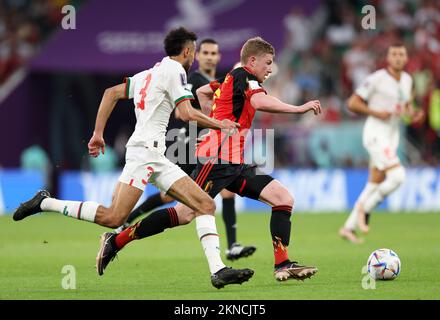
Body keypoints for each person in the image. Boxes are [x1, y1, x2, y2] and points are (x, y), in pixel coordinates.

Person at [12, 27, 254, 289]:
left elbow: (111, 93)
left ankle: (218, 271)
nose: (194, 57)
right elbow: (185, 113)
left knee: (205, 204)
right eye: (194, 51)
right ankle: (45, 203)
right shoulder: (175, 70)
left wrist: (97, 134)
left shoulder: (147, 74)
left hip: (154, 154)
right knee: (113, 217)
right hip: (144, 155)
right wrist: (221, 124)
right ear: (186, 51)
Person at [103, 37, 321, 283]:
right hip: (215, 160)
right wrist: (299, 109)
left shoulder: (231, 78)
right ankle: (117, 241)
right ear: (252, 61)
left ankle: (282, 263)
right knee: (185, 214)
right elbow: (259, 102)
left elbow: (203, 91)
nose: (270, 69)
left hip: (235, 163)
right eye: (268, 63)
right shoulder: (244, 76)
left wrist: (211, 127)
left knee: (283, 198)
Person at [119, 38, 256, 261]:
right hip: (189, 145)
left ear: (219, 57)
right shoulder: (193, 80)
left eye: (214, 53)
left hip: (212, 146)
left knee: (226, 191)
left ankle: (232, 246)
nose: (210, 57)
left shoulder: (218, 82)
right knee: (168, 197)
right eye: (206, 53)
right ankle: (126, 221)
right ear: (198, 56)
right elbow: (180, 112)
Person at [339, 43, 424, 243]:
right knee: (398, 176)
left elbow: (404, 108)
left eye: (401, 54)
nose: (397, 57)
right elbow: (352, 103)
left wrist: (413, 114)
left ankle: (348, 228)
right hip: (375, 133)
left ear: (406, 58)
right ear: (388, 57)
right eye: (393, 54)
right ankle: (365, 208)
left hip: (392, 136)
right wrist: (376, 112)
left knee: (374, 182)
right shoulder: (377, 78)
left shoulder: (407, 80)